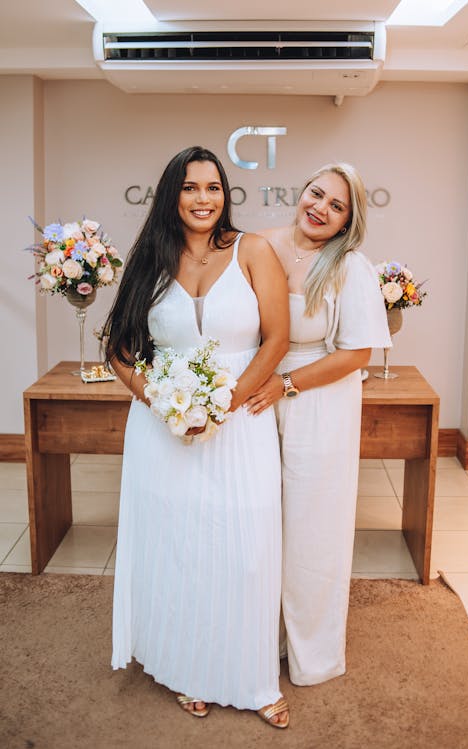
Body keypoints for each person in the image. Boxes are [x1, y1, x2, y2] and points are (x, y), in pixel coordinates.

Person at [105, 146, 290, 727]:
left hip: (240, 424)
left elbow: (277, 340)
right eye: (190, 188)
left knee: (247, 547)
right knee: (180, 547)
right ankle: (186, 667)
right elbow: (118, 351)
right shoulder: (150, 261)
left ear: (225, 193)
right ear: (172, 195)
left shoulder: (253, 251)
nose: (203, 199)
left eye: (213, 187)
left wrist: (220, 407)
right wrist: (160, 402)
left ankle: (254, 678)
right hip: (165, 431)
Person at [246, 162, 391, 686]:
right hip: (255, 393)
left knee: (311, 529)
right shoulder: (257, 244)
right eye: (316, 194)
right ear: (300, 191)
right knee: (260, 522)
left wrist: (285, 385)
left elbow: (357, 355)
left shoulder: (352, 267)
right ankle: (261, 641)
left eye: (336, 206)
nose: (320, 209)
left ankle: (311, 653)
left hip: (318, 398)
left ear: (348, 222)